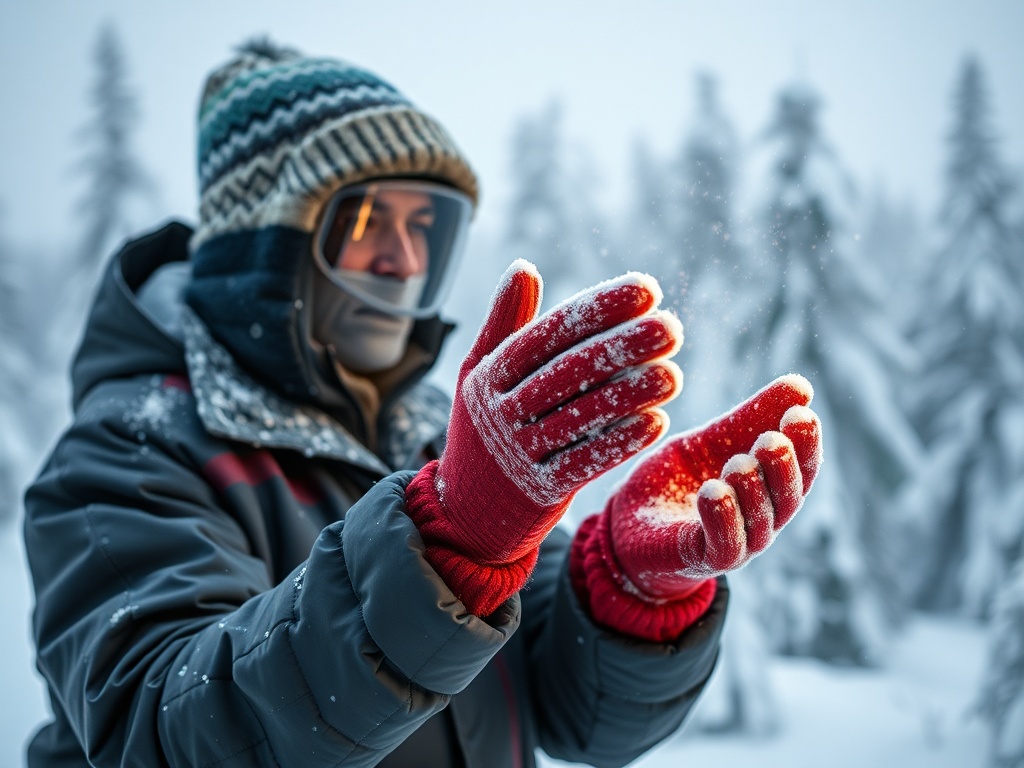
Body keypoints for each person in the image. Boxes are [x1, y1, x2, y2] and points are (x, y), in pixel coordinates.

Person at [22, 40, 823, 768]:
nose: (404, 261)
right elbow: (164, 733)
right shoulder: (129, 454)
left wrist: (622, 585)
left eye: (428, 228)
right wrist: (443, 547)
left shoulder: (433, 438)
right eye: (368, 221)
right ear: (266, 242)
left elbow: (577, 716)